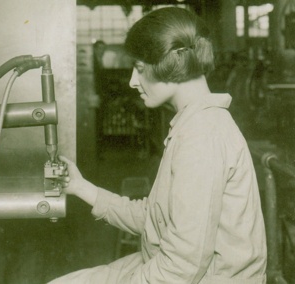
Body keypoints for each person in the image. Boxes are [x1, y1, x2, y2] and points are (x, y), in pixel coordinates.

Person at [49, 6, 267, 284]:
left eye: (139, 68)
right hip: (172, 265)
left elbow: (180, 269)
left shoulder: (202, 137)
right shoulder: (193, 125)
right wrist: (80, 186)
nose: (131, 81)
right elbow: (156, 218)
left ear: (169, 64)